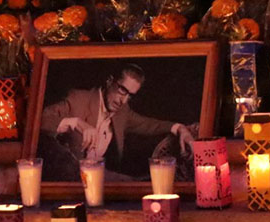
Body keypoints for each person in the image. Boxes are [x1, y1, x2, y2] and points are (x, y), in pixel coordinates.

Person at [40, 63, 196, 178]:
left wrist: (179, 128)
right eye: (122, 90)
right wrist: (75, 122)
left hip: (97, 180)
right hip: (68, 181)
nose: (123, 100)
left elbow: (149, 124)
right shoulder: (78, 99)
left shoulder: (122, 113)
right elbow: (40, 120)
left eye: (130, 95)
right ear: (110, 81)